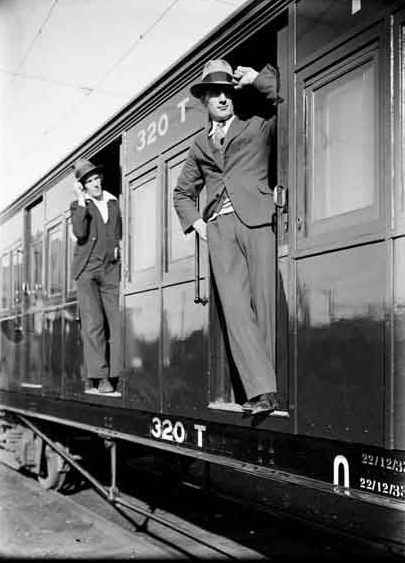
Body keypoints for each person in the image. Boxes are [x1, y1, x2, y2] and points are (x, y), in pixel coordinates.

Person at [173, 59, 280, 415]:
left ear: (234, 96)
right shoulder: (199, 145)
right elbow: (182, 194)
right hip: (220, 230)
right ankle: (261, 392)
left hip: (257, 221)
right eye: (214, 93)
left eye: (226, 92)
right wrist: (199, 226)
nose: (221, 98)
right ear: (205, 100)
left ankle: (275, 387)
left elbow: (283, 97)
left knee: (264, 302)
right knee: (235, 311)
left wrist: (256, 81)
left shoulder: (256, 125)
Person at [70, 158, 122, 394]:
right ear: (83, 186)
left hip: (110, 267)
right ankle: (101, 378)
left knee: (117, 319)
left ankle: (118, 373)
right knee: (94, 324)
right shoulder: (79, 205)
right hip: (87, 270)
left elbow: (118, 232)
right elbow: (80, 233)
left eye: (96, 178)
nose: (95, 183)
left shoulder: (113, 202)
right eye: (89, 181)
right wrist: (81, 200)